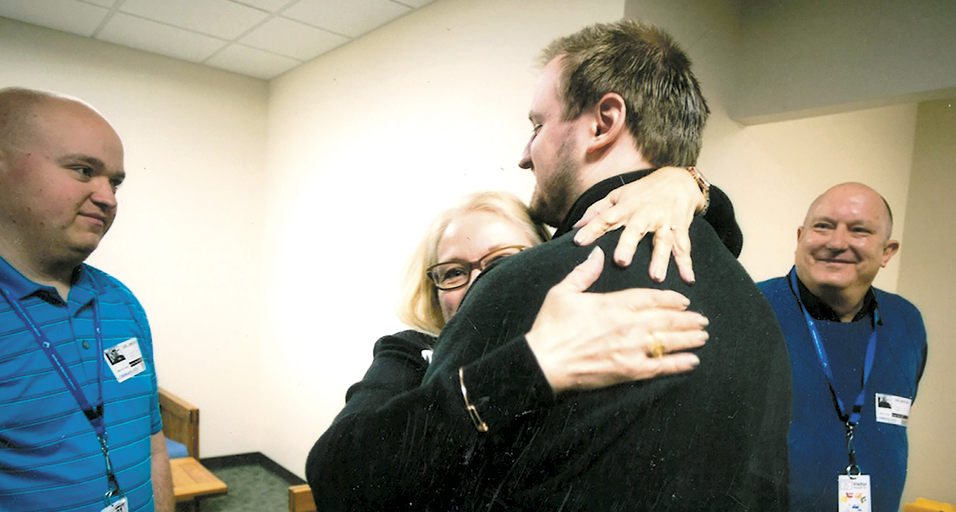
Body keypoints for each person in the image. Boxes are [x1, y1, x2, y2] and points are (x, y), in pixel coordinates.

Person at [422, 20, 792, 510]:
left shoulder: (530, 285)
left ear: (603, 123)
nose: (524, 157)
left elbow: (408, 481)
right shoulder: (759, 315)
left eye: (537, 126)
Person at [307, 181, 732, 510]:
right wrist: (527, 368)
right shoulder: (409, 353)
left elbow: (719, 243)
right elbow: (334, 473)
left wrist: (688, 184)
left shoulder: (597, 338)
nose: (479, 282)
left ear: (543, 259)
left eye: (502, 262)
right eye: (453, 271)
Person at [0, 88, 173, 512]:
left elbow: (152, 447)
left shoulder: (121, 302)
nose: (109, 198)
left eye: (114, 182)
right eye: (84, 171)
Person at [757, 183, 927, 512]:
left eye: (859, 230)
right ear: (799, 237)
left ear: (887, 252)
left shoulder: (907, 322)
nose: (836, 243)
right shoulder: (752, 308)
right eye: (823, 226)